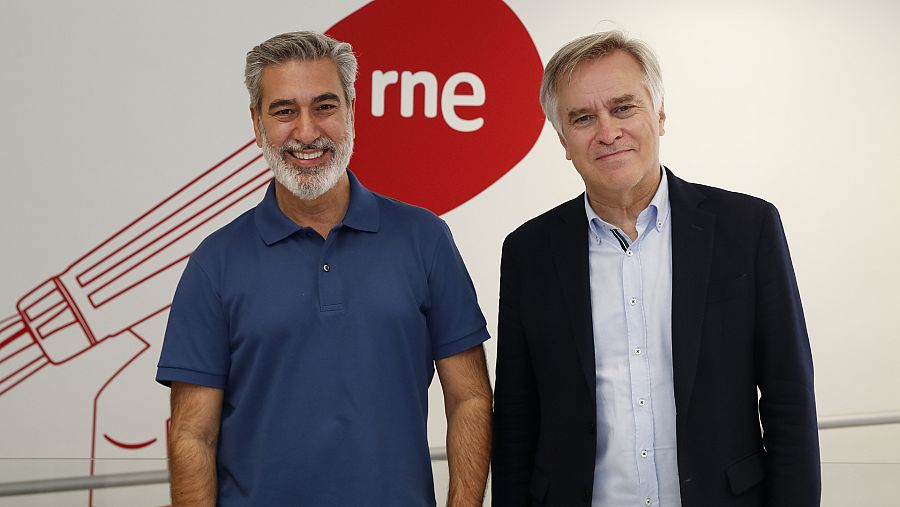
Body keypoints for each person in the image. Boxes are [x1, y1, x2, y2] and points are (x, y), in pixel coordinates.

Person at [156, 31, 492, 507]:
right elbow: (193, 435)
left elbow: (471, 398)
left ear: (352, 111)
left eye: (325, 106)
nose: (307, 132)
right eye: (284, 111)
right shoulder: (215, 262)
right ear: (256, 124)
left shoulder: (424, 239)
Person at [491, 31, 820, 506]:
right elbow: (517, 418)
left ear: (660, 114)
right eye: (583, 118)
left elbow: (789, 399)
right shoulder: (528, 252)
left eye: (623, 108)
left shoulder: (747, 229)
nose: (607, 132)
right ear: (563, 139)